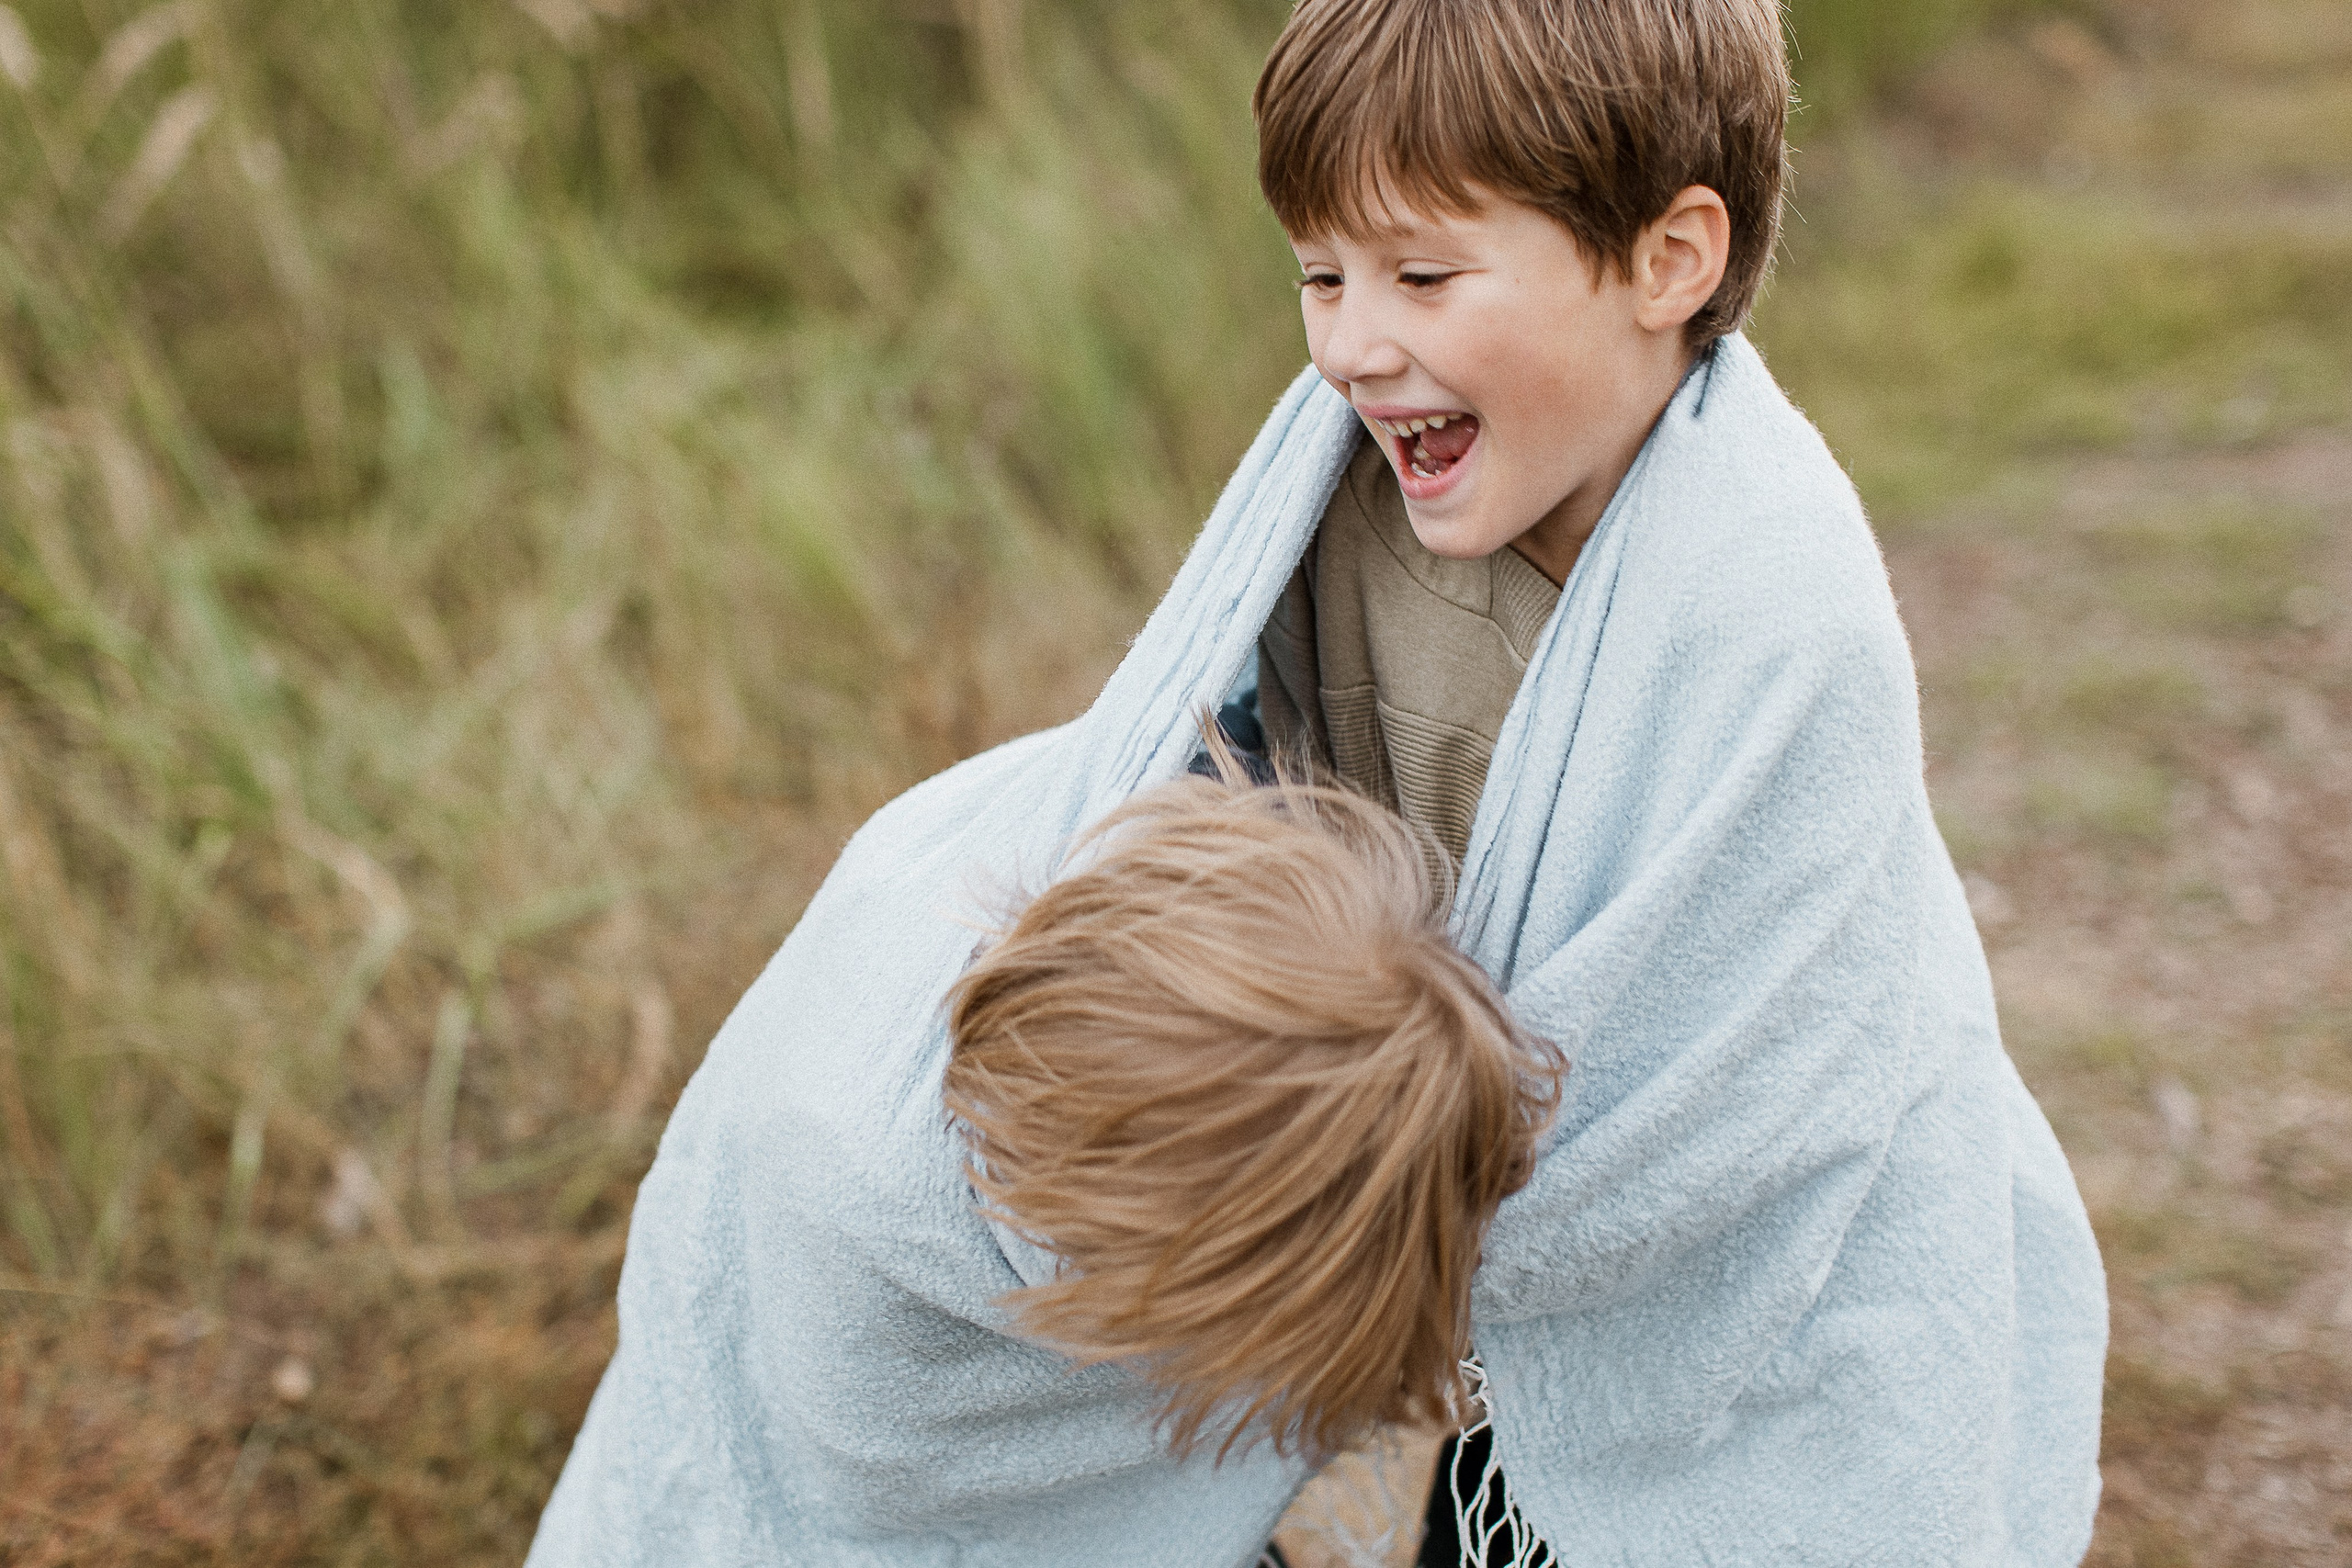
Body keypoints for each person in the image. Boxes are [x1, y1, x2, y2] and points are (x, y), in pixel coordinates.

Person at [1232, 3, 2108, 1564]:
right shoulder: (1334, 520)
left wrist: (1408, 1234)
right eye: (1320, 275)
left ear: (1667, 262)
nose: (1352, 344)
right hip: (1474, 1298)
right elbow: (1228, 804)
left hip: (1773, 1335)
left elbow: (1743, 1100)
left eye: (1421, 277)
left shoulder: (1773, 610)